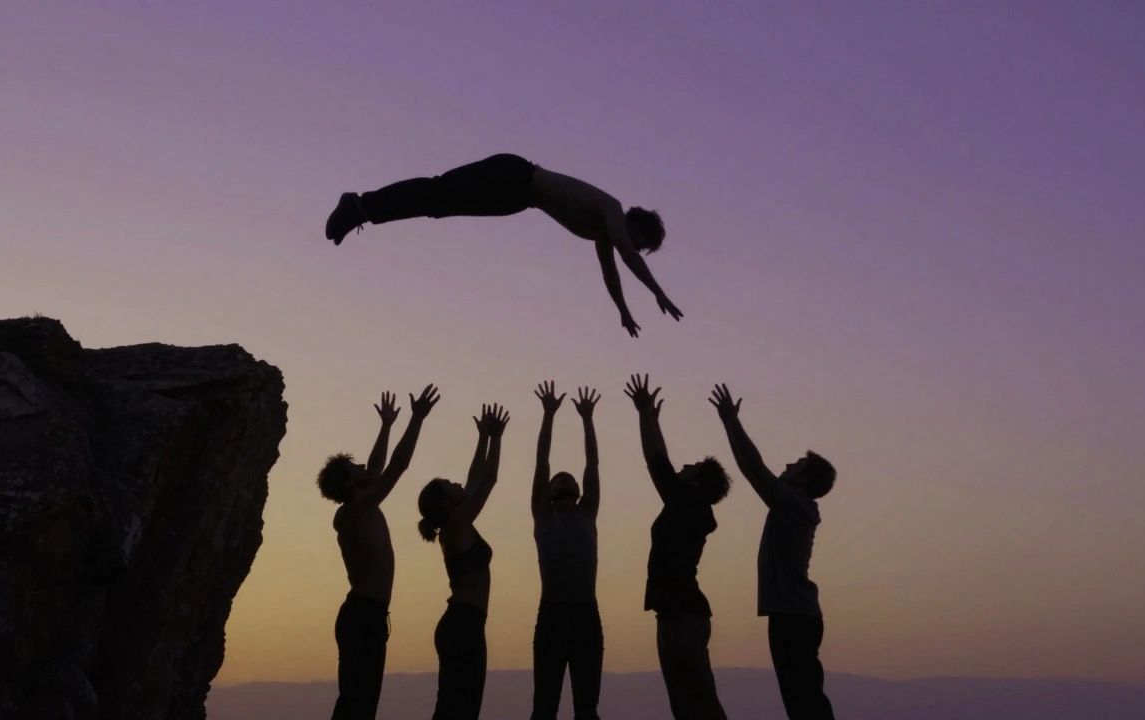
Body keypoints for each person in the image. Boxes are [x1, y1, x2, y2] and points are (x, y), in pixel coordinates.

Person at [323, 153, 682, 338]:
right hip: (513, 175)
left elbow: (611, 271)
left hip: (516, 199)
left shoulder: (603, 233)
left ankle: (362, 212)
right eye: (642, 241)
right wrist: (658, 293)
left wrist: (623, 310)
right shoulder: (612, 210)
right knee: (439, 191)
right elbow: (627, 255)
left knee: (438, 206)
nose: (636, 247)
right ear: (636, 223)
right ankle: (357, 204)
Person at [708, 384, 837, 720]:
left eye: (796, 464)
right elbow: (751, 469)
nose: (788, 464)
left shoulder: (794, 504)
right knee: (801, 700)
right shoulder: (793, 505)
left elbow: (753, 467)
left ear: (803, 479)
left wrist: (731, 421)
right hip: (792, 615)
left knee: (804, 701)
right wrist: (729, 423)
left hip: (794, 617)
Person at [318, 385, 442, 720]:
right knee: (357, 704)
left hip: (368, 615)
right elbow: (396, 467)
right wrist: (416, 418)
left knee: (361, 703)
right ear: (348, 484)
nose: (363, 467)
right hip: (362, 616)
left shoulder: (360, 504)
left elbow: (376, 467)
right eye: (355, 467)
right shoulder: (355, 510)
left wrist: (387, 426)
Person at [624, 374, 730, 720]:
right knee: (691, 703)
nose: (684, 467)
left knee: (696, 703)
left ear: (697, 482)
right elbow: (661, 463)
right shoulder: (691, 508)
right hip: (678, 615)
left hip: (682, 616)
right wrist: (650, 417)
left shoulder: (688, 504)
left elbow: (657, 461)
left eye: (692, 467)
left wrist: (644, 413)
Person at [417, 403, 511, 720]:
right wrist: (497, 438)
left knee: (461, 709)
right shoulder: (456, 526)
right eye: (450, 485)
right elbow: (487, 481)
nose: (458, 484)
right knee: (457, 710)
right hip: (463, 625)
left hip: (467, 623)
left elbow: (473, 479)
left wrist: (483, 437)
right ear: (445, 501)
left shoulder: (459, 522)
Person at [529, 381, 603, 720]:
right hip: (552, 615)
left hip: (586, 615)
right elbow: (541, 461)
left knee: (586, 708)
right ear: (548, 490)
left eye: (568, 478)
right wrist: (548, 415)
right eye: (559, 479)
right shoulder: (543, 517)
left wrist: (587, 419)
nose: (564, 479)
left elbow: (592, 464)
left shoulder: (587, 513)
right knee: (544, 706)